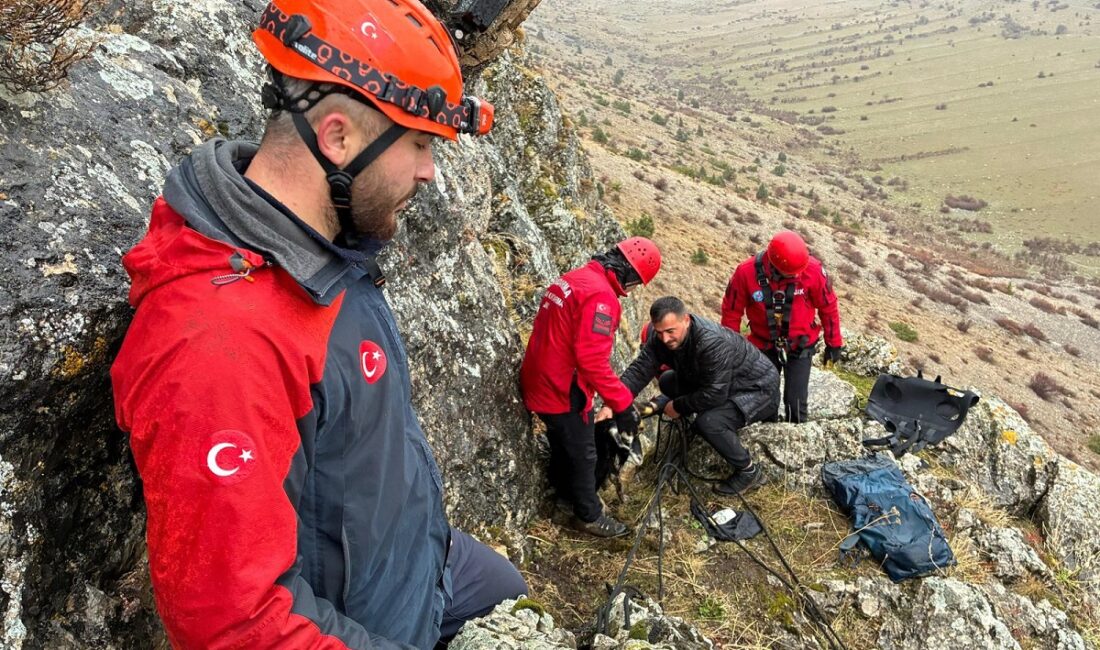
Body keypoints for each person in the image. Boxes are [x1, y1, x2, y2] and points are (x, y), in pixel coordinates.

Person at [110, 1, 525, 647]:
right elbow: (236, 621)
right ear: (337, 138)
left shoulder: (320, 246)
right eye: (418, 143)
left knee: (511, 597)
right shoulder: (220, 344)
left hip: (421, 560)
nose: (428, 171)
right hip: (367, 624)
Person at [520, 237, 661, 538]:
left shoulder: (575, 278)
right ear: (631, 274)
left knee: (564, 441)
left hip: (540, 375)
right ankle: (588, 514)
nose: (632, 291)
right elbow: (592, 360)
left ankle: (562, 494)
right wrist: (622, 405)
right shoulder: (601, 298)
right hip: (560, 388)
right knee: (584, 452)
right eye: (636, 284)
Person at [616, 297, 779, 496]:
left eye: (670, 332)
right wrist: (614, 400)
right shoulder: (662, 339)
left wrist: (678, 406)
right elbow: (640, 369)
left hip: (756, 388)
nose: (665, 339)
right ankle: (663, 402)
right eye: (659, 333)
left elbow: (715, 394)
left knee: (708, 422)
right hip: (717, 381)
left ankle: (749, 472)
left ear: (686, 320)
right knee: (667, 380)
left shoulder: (711, 342)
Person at [720, 230, 843, 424]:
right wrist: (732, 350)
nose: (797, 275)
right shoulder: (746, 273)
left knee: (796, 402)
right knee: (764, 398)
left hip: (800, 345)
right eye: (792, 273)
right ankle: (768, 432)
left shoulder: (812, 271)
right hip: (763, 344)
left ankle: (797, 439)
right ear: (774, 265)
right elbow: (731, 312)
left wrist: (834, 343)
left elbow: (828, 307)